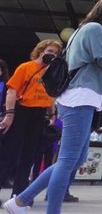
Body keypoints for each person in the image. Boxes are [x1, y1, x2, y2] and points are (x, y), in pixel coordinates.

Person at [4, 0, 102, 214]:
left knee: (76, 159)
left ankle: (20, 201)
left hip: (77, 97)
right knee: (67, 161)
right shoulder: (95, 28)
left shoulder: (83, 29)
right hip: (80, 97)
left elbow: (95, 59)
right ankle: (45, 209)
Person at [0, 39, 62, 201]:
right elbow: (11, 91)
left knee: (30, 155)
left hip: (39, 115)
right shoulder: (25, 67)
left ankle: (19, 195)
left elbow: (51, 95)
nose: (52, 55)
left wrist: (52, 114)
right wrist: (9, 115)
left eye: (55, 53)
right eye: (49, 51)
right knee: (9, 153)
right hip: (21, 112)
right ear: (41, 51)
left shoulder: (51, 72)